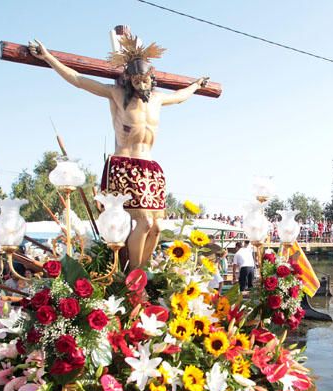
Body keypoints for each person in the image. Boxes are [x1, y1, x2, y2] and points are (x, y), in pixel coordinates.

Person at [28, 36, 209, 270]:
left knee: (156, 226)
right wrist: (49, 57)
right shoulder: (116, 95)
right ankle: (134, 275)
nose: (141, 84)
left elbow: (181, 96)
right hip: (124, 165)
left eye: (144, 79)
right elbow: (79, 80)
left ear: (150, 78)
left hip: (150, 168)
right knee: (143, 222)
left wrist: (195, 85)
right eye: (136, 79)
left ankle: (143, 273)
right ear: (129, 79)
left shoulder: (158, 99)